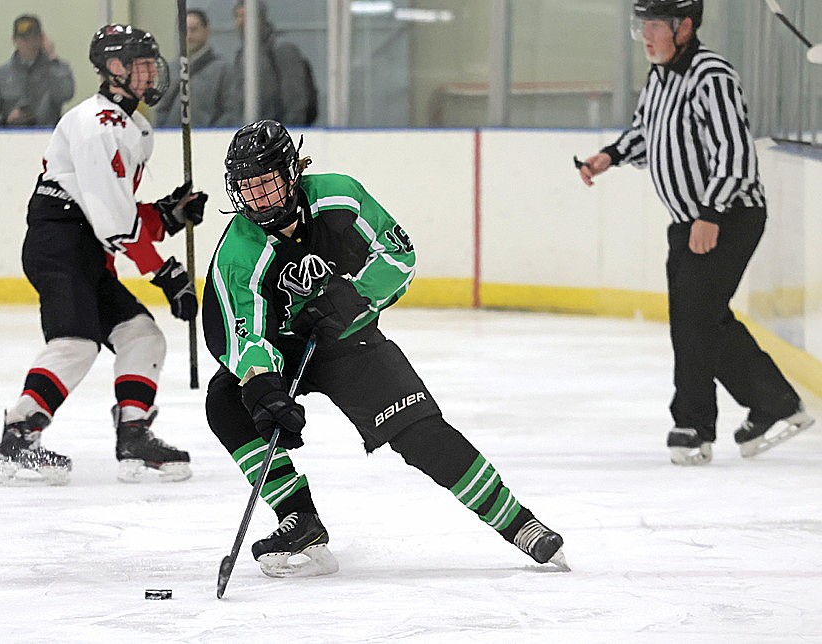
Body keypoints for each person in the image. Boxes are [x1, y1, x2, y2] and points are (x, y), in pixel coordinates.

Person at [202, 119, 567, 578]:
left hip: (348, 337)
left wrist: (350, 299)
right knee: (227, 402)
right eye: (247, 189)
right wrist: (265, 388)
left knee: (420, 432)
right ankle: (300, 517)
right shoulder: (240, 249)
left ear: (292, 172)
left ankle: (520, 523)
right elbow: (245, 332)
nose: (257, 200)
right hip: (282, 348)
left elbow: (399, 257)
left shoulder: (339, 196)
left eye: (267, 184)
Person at [577, 0, 815, 466]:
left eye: (654, 26)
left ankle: (692, 425)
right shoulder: (661, 77)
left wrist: (711, 214)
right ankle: (776, 404)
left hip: (727, 217)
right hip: (691, 220)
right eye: (640, 25)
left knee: (693, 320)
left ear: (684, 27)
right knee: (704, 317)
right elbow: (647, 134)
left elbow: (736, 153)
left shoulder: (712, 76)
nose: (645, 35)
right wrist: (609, 156)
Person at [0, 24, 208, 487]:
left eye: (152, 61)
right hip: (60, 244)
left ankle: (133, 436)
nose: (153, 70)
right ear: (114, 69)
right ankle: (17, 438)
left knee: (142, 336)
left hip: (86, 246)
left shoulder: (131, 124)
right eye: (140, 63)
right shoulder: (94, 125)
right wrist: (167, 273)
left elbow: (115, 213)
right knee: (76, 342)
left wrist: (169, 214)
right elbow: (111, 222)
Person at [0, 15, 75, 128]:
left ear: (42, 39)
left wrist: (52, 58)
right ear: (14, 40)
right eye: (24, 39)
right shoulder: (1, 75)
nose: (29, 44)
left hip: (48, 136)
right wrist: (6, 119)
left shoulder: (57, 69)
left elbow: (66, 94)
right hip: (11, 138)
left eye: (34, 38)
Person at [232, 0, 317, 126]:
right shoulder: (243, 54)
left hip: (276, 131)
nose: (240, 22)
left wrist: (287, 132)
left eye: (245, 16)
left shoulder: (281, 48)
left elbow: (294, 98)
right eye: (237, 17)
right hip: (255, 132)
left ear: (260, 18)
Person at [155, 9, 239, 128]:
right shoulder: (171, 69)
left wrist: (213, 135)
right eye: (184, 31)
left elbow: (230, 110)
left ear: (207, 31)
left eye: (193, 30)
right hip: (172, 139)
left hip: (211, 139)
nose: (188, 36)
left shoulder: (223, 69)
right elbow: (161, 109)